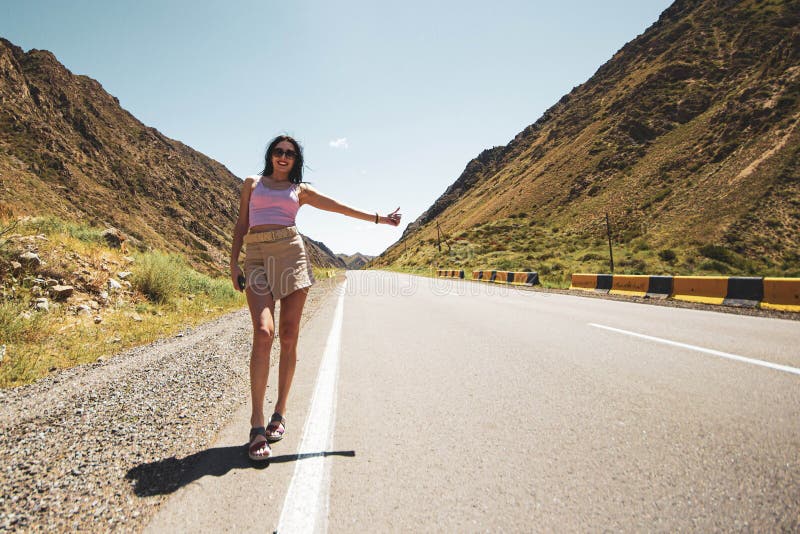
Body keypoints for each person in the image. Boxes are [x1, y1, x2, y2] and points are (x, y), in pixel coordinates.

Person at [230, 135, 401, 461]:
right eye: (278, 151)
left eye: (290, 153)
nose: (283, 157)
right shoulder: (252, 184)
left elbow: (339, 207)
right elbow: (241, 224)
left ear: (296, 160)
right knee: (264, 332)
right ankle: (255, 423)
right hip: (256, 258)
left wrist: (379, 219)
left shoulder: (300, 191)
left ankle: (279, 413)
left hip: (292, 256)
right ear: (271, 155)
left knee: (290, 337)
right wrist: (232, 264)